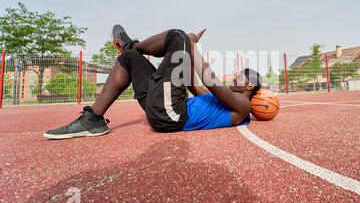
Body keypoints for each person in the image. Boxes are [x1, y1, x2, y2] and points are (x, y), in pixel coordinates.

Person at [43, 26, 263, 139]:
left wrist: (189, 44)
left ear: (250, 86)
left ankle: (132, 45)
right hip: (163, 108)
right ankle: (92, 119)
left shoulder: (243, 106)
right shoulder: (226, 101)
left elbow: (210, 81)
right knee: (130, 60)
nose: (235, 76)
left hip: (172, 115)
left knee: (178, 36)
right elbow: (194, 86)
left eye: (241, 76)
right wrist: (185, 53)